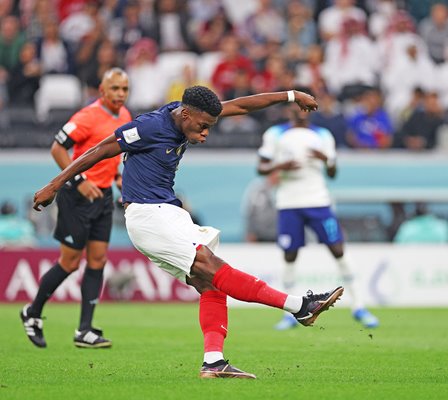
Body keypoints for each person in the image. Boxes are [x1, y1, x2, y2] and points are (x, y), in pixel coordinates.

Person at [31, 86, 344, 379]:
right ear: (185, 116)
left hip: (168, 212)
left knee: (210, 283)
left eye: (209, 126)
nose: (206, 134)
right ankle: (300, 306)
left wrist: (290, 95)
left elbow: (243, 105)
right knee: (212, 266)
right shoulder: (150, 127)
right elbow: (100, 150)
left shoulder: (187, 113)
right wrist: (54, 186)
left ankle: (213, 362)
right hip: (147, 215)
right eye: (203, 126)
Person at [20, 67, 131, 350]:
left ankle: (85, 330)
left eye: (124, 89)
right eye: (115, 88)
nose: (120, 94)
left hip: (103, 197)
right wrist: (79, 179)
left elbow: (111, 156)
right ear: (102, 90)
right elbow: (57, 148)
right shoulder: (87, 116)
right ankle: (32, 313)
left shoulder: (126, 116)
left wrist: (117, 177)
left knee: (97, 260)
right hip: (77, 197)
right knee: (69, 262)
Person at [256, 91, 379, 331]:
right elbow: (261, 167)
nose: (299, 111)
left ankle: (359, 306)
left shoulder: (322, 135)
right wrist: (281, 165)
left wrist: (326, 159)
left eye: (304, 107)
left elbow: (333, 173)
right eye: (295, 107)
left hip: (318, 200)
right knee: (290, 255)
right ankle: (289, 312)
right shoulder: (275, 134)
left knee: (338, 249)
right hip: (288, 202)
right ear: (289, 109)